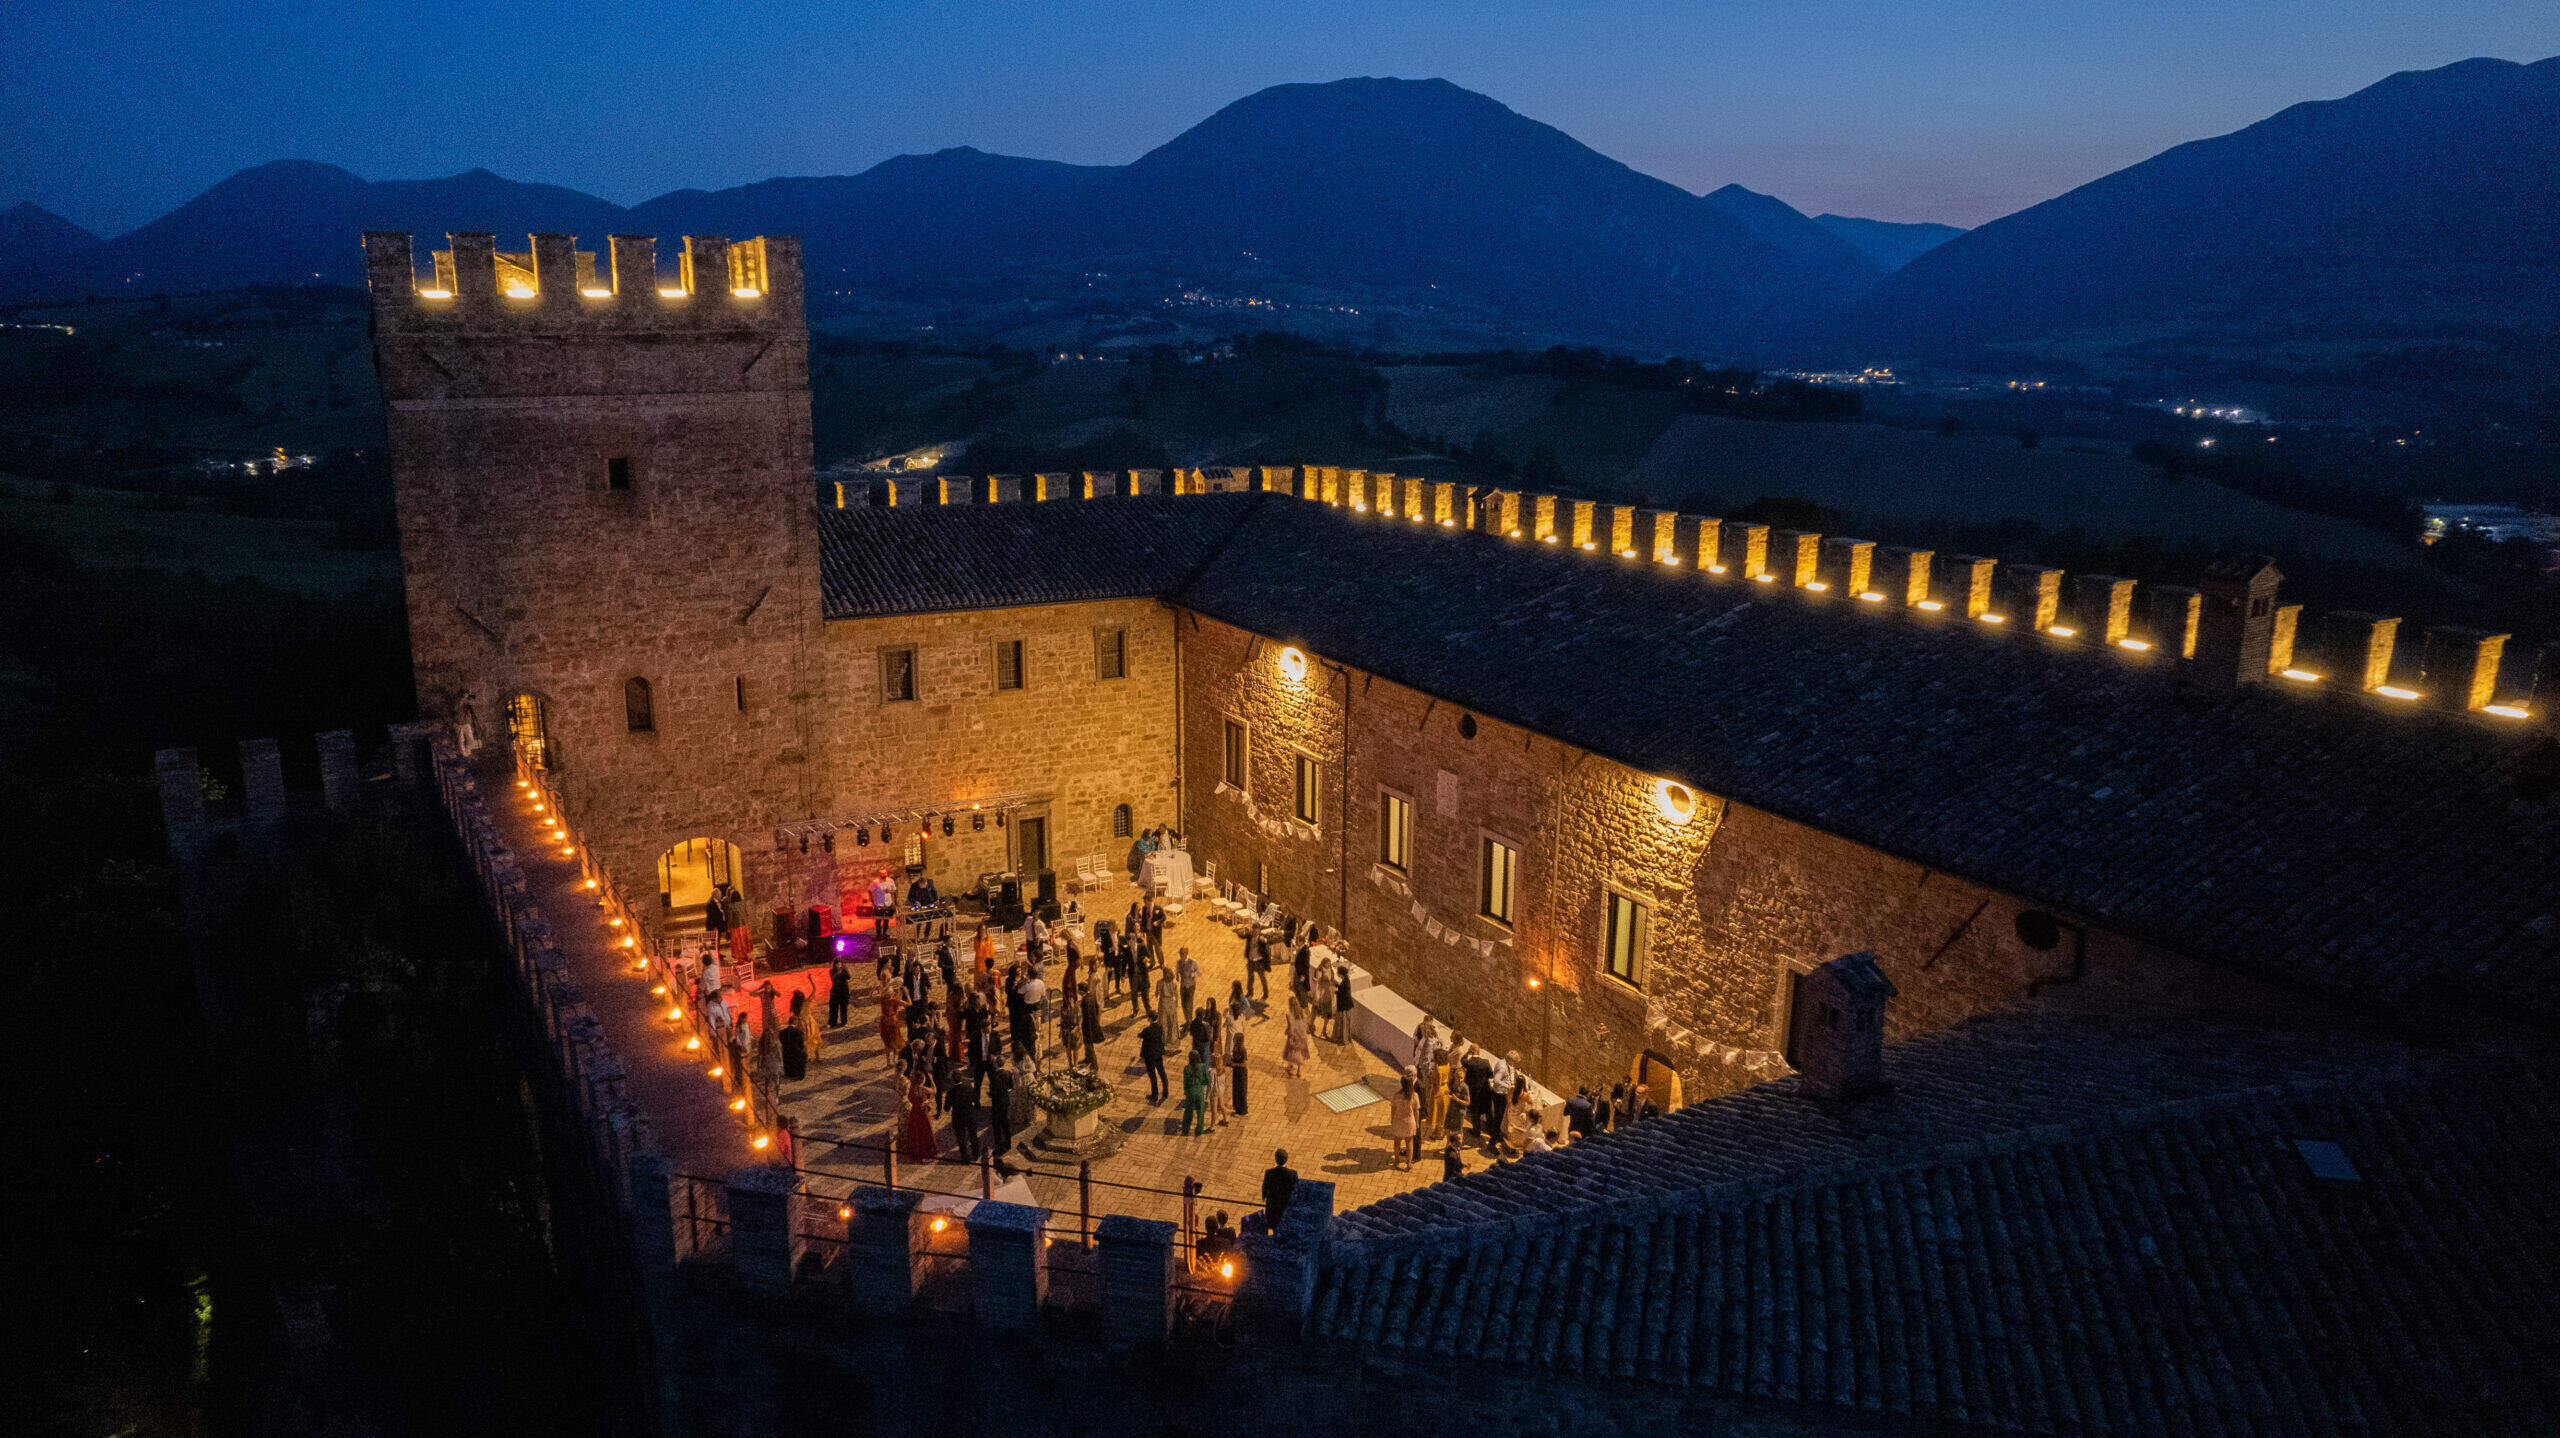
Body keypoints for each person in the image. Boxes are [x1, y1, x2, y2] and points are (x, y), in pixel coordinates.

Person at [899, 1070, 940, 1161]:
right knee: (925, 1132)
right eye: (924, 1078)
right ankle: (926, 1154)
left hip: (914, 1112)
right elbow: (934, 1091)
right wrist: (932, 1080)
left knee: (916, 1132)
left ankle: (917, 1154)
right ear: (921, 1080)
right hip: (922, 1113)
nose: (925, 1079)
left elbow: (911, 1100)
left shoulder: (912, 1088)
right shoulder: (922, 1089)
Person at [947, 1064, 981, 1163]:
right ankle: (976, 1153)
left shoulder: (951, 1091)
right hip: (969, 1114)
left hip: (958, 1116)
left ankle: (965, 1157)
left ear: (953, 1080)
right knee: (973, 1134)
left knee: (961, 1137)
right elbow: (976, 1099)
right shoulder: (969, 1087)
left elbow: (946, 1108)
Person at [986, 1060, 1018, 1158]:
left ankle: (999, 1146)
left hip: (997, 1103)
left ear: (996, 1064)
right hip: (1005, 1101)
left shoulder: (995, 1077)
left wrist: (989, 1094)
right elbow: (1011, 1086)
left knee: (996, 1125)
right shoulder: (1008, 1073)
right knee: (1005, 1123)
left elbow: (994, 1091)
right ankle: (1008, 1144)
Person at [1389, 1067, 1419, 1169]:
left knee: (1397, 1143)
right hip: (1410, 1122)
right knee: (1409, 1143)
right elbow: (1416, 1111)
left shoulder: (1397, 1096)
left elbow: (1393, 1108)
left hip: (1398, 1121)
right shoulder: (1414, 1096)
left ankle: (1397, 1161)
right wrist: (1417, 1122)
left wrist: (1392, 1119)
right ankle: (1408, 1163)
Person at [1263, 1150, 1298, 1231]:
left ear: (1276, 1159)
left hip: (1273, 1207)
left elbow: (1265, 1189)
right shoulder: (1292, 1174)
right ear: (1286, 1159)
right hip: (1286, 1206)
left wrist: (1265, 1197)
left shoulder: (1269, 1173)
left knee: (1275, 1227)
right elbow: (1295, 1190)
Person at [1180, 1051, 1211, 1136]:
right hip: (1199, 1092)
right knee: (1200, 1113)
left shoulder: (1186, 1068)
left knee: (1188, 1112)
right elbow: (1207, 1080)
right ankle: (1198, 1131)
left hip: (1190, 1092)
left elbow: (1185, 1082)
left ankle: (1185, 1130)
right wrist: (1201, 1083)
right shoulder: (1202, 1067)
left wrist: (1186, 1091)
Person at [1281, 997, 1313, 1079]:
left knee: (1291, 1051)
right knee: (1300, 1052)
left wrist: (1288, 1032)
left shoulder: (1289, 1015)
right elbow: (1306, 1023)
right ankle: (1299, 1070)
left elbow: (1290, 1027)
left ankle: (1291, 1065)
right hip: (1302, 1036)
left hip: (1294, 1036)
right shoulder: (1303, 1013)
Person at [1139, 1017, 1169, 1102]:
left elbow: (1140, 1035)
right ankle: (1165, 1092)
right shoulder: (1160, 1027)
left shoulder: (1147, 1030)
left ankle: (1154, 1095)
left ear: (1150, 1019)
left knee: (1152, 1076)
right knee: (1162, 1073)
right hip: (1158, 1054)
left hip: (1149, 1055)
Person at [1227, 1026, 1250, 1119]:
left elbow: (1244, 1064)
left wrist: (1234, 1064)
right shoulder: (1235, 1048)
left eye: (1235, 1039)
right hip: (1236, 1072)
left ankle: (1242, 1111)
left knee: (1241, 1091)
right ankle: (1237, 1108)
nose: (1233, 1040)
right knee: (1236, 1090)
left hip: (1241, 1073)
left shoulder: (1242, 1050)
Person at [1080, 979, 1105, 1060]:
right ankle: (1088, 1058)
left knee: (1088, 1044)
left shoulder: (1085, 1000)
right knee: (1088, 1044)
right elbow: (1097, 1008)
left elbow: (1084, 1014)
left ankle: (1093, 1062)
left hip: (1087, 1026)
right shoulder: (1092, 996)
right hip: (1093, 1024)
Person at [1175, 947, 1200, 1021]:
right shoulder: (1178, 962)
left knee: (1189, 1004)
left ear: (1186, 953)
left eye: (1183, 953)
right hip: (1183, 985)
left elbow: (1198, 973)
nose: (1181, 955)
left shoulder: (1192, 962)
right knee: (1183, 1004)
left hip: (1190, 986)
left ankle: (1189, 1021)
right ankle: (1187, 1020)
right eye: (1180, 953)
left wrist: (1192, 975)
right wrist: (1177, 976)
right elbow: (1177, 971)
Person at [869, 870, 895, 938]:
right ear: (879, 874)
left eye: (885, 873)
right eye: (882, 873)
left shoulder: (890, 880)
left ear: (886, 873)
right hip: (879, 903)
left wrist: (890, 891)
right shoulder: (875, 882)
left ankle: (884, 933)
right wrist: (872, 901)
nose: (884, 875)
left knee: (886, 920)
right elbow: (870, 890)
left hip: (887, 903)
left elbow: (894, 890)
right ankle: (878, 934)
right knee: (878, 920)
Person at [1246, 934, 1271, 1004]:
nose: (1255, 932)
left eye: (1257, 930)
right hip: (1251, 960)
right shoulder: (1251, 937)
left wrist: (1265, 941)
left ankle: (1265, 992)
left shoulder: (1261, 939)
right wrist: (1249, 956)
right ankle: (1250, 991)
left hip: (1259, 961)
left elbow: (1265, 950)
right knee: (1250, 977)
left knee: (1262, 977)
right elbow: (1249, 947)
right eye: (1254, 930)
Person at [826, 958, 851, 1029]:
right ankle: (832, 1023)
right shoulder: (832, 971)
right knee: (833, 1008)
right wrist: (837, 973)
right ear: (835, 964)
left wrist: (843, 972)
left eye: (840, 963)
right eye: (837, 964)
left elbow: (848, 977)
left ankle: (844, 1022)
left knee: (844, 1008)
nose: (838, 965)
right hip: (835, 992)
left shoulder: (845, 970)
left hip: (844, 991)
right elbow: (832, 978)